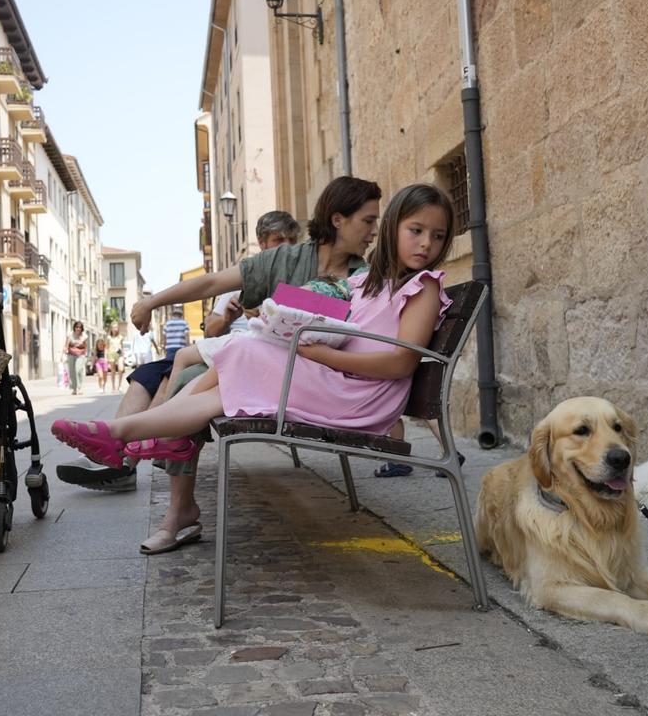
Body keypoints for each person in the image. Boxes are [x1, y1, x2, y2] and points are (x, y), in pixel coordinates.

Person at [53, 183, 450, 556]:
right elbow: (317, 311)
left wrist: (317, 352)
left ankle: (132, 435)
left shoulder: (421, 285)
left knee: (242, 350)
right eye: (415, 230)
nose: (426, 244)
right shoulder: (366, 281)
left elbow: (401, 362)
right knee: (242, 349)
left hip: (358, 397)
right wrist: (279, 314)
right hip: (340, 383)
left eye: (437, 236)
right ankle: (127, 434)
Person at [55, 209, 303, 492]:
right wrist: (228, 317)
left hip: (238, 358)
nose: (286, 247)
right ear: (263, 242)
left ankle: (125, 460)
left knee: (173, 377)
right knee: (145, 375)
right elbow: (211, 329)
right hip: (216, 348)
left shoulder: (297, 280)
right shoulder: (247, 275)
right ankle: (116, 455)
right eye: (278, 240)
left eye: (290, 241)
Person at [63, 321, 87, 396]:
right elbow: (66, 344)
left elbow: (85, 346)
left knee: (78, 370)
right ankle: (74, 388)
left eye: (80, 327)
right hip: (71, 354)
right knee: (72, 372)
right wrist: (65, 351)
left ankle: (79, 388)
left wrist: (85, 354)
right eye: (77, 327)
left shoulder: (84, 336)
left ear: (82, 329)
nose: (78, 329)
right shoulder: (70, 334)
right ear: (74, 328)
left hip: (80, 355)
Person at [105, 322, 125, 392]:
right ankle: (113, 386)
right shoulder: (109, 337)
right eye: (113, 327)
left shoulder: (120, 337)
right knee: (113, 371)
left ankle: (120, 385)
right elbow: (106, 347)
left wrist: (123, 356)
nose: (115, 329)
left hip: (119, 354)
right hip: (111, 354)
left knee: (121, 369)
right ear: (111, 329)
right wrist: (106, 357)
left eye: (116, 327)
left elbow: (122, 347)